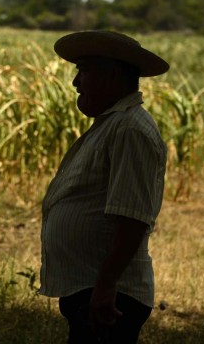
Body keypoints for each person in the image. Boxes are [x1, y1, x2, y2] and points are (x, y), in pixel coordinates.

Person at [39, 30, 169, 343]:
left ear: (111, 75)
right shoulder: (113, 124)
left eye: (83, 71)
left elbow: (132, 216)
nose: (75, 82)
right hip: (94, 287)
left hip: (112, 294)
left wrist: (106, 285)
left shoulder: (129, 130)